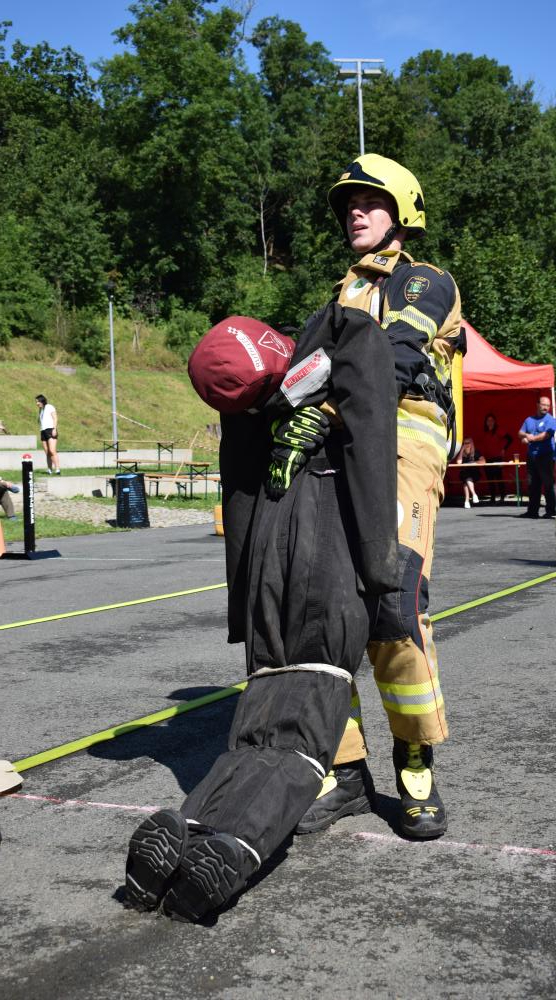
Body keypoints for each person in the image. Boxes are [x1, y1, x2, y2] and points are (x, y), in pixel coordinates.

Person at [125, 303, 401, 922]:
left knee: (253, 732)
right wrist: (382, 574)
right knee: (301, 742)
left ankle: (190, 825)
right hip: (326, 579)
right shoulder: (346, 351)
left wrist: (243, 610)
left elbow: (240, 508)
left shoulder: (251, 426)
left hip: (264, 588)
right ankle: (235, 846)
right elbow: (374, 453)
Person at [295, 154, 464, 840]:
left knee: (394, 605)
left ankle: (415, 761)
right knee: (325, 613)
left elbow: (392, 355)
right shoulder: (335, 301)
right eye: (348, 205)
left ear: (401, 211)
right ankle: (345, 769)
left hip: (401, 448)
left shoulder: (423, 280)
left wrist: (318, 398)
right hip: (335, 452)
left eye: (369, 200)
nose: (354, 212)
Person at [518, 396, 556, 518]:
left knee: (548, 483)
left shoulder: (551, 420)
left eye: (548, 405)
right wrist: (526, 436)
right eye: (544, 404)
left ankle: (550, 511)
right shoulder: (529, 419)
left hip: (545, 455)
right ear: (538, 404)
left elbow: (547, 435)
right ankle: (532, 511)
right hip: (532, 456)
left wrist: (531, 439)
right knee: (532, 484)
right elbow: (520, 433)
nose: (546, 407)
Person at [480, 412, 512, 503]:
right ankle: (493, 497)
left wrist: (504, 449)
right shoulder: (485, 432)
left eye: (492, 420)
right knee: (490, 479)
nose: (490, 422)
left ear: (494, 422)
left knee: (499, 478)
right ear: (486, 422)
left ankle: (502, 497)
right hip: (487, 458)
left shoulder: (499, 430)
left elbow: (510, 439)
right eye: (488, 420)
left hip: (497, 458)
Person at [456, 437, 485, 508]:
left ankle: (467, 501)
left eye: (468, 443)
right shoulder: (462, 453)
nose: (466, 444)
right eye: (465, 443)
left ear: (471, 443)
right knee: (466, 477)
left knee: (466, 480)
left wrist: (474, 463)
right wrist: (462, 450)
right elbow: (458, 462)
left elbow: (483, 461)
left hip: (474, 473)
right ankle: (474, 494)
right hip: (464, 473)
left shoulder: (476, 452)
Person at [35, 394, 60, 475]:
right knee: (47, 452)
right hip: (43, 431)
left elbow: (55, 418)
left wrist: (54, 429)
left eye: (38, 401)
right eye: (36, 402)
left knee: (52, 450)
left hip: (50, 430)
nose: (37, 403)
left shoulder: (49, 407)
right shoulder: (41, 410)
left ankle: (57, 469)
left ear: (42, 401)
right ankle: (49, 469)